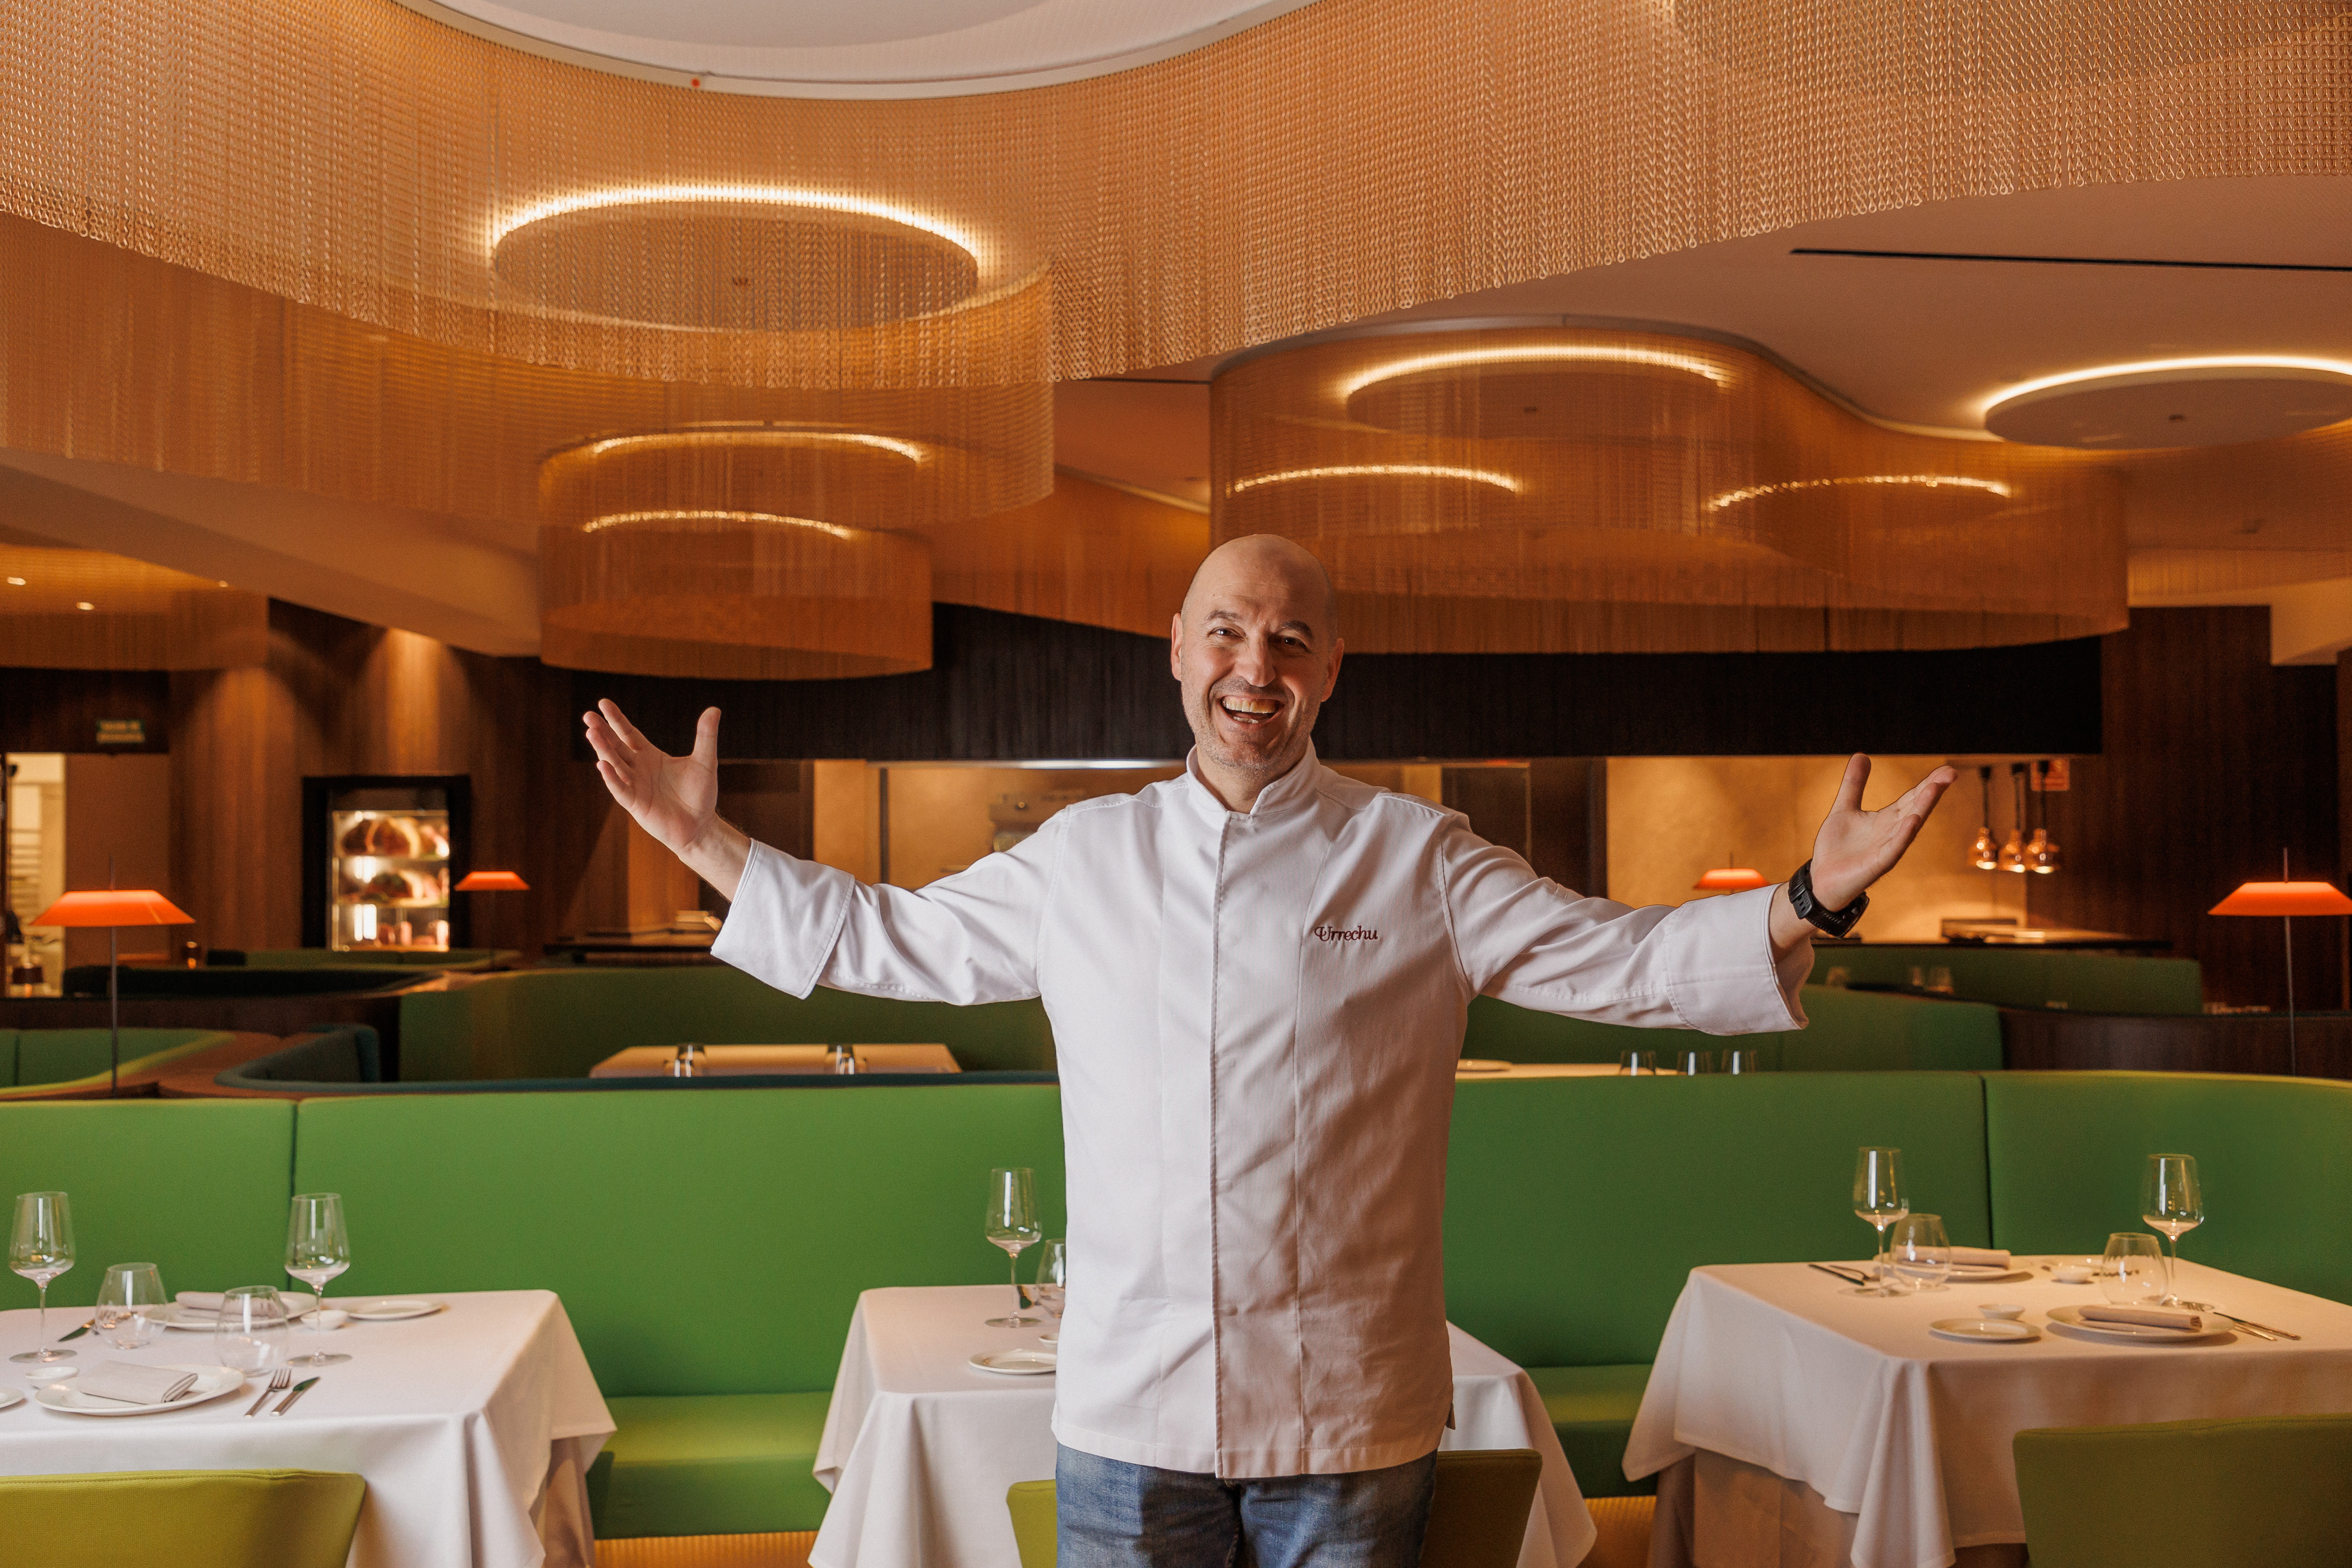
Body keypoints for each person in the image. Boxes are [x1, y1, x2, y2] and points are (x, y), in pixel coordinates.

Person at [583, 533, 1954, 1567]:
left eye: (1292, 641)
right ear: (1177, 649)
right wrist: (706, 842)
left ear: (1332, 669)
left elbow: (1626, 963)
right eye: (1230, 633)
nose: (1258, 669)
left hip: (1351, 1413)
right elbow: (884, 939)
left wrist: (1811, 898)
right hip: (1129, 1412)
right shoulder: (1082, 858)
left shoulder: (1414, 856)